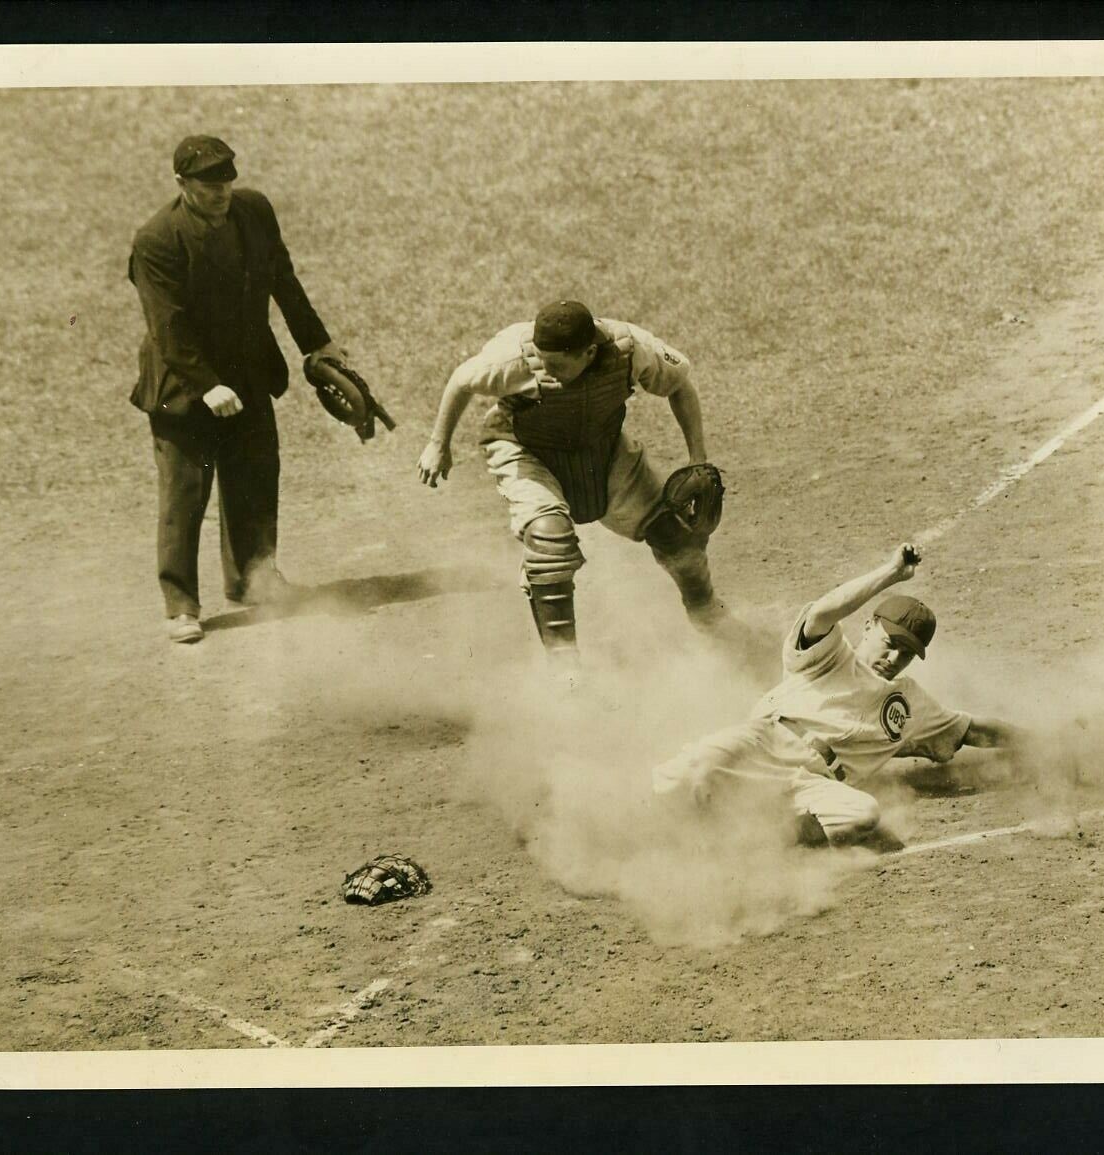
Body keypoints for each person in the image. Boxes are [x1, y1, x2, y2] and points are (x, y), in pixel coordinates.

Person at [417, 300, 739, 669]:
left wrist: (697, 456)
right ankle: (564, 668)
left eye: (557, 364)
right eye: (542, 360)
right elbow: (461, 379)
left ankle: (710, 617)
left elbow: (679, 384)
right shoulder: (511, 359)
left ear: (588, 352)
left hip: (601, 446)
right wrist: (437, 444)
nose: (546, 371)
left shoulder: (630, 348)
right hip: (524, 448)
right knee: (548, 536)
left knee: (674, 532)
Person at [651, 542, 1020, 850]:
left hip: (814, 779)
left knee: (863, 814)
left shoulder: (909, 704)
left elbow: (971, 729)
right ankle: (637, 831)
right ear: (869, 626)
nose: (894, 659)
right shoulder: (828, 655)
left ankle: (751, 838)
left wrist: (1048, 742)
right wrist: (890, 573)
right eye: (891, 644)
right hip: (764, 741)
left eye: (907, 653)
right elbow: (824, 611)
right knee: (693, 771)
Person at [128, 135, 343, 643]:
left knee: (255, 477)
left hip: (248, 373)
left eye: (227, 180)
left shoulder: (254, 211)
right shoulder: (157, 240)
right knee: (185, 495)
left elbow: (283, 281)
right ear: (182, 184)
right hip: (183, 385)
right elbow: (168, 326)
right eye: (209, 184)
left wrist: (319, 343)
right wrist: (207, 385)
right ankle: (181, 605)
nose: (222, 191)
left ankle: (255, 581)